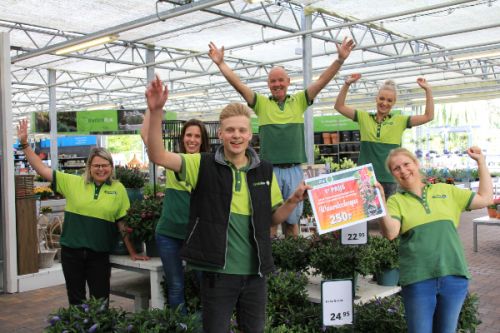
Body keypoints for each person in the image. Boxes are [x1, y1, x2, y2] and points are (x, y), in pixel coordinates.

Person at [145, 75, 310, 333]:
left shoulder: (264, 171)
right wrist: (156, 112)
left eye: (242, 130)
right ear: (220, 133)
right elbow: (157, 155)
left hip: (256, 274)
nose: (236, 135)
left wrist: (292, 200)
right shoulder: (202, 164)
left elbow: (273, 220)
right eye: (230, 130)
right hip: (217, 274)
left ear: (250, 134)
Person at [208, 37, 355, 238]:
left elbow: (321, 81)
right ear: (268, 84)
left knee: (292, 221)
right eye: (273, 81)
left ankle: (291, 264)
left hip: (294, 170)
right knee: (269, 221)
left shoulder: (299, 101)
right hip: (270, 170)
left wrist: (339, 60)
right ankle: (270, 264)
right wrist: (221, 64)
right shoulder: (261, 103)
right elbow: (239, 85)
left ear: (288, 82)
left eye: (280, 80)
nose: (277, 84)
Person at [16, 119, 147, 305]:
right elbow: (42, 169)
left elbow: (122, 223)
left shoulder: (118, 189)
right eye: (96, 165)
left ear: (111, 167)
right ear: (89, 167)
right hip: (72, 252)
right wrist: (25, 144)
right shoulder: (73, 182)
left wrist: (132, 252)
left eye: (105, 165)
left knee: (100, 301)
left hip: (99, 254)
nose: (101, 169)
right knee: (76, 301)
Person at [377, 147, 493, 333]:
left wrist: (481, 162)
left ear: (416, 163)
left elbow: (486, 199)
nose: (403, 170)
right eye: (396, 168)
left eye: (406, 164)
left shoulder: (446, 191)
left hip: (453, 276)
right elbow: (391, 232)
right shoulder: (395, 201)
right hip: (418, 280)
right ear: (393, 174)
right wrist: (380, 202)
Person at [140, 110, 210, 314]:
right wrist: (152, 110)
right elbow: (146, 137)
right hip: (169, 235)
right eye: (189, 135)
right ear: (182, 138)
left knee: (205, 286)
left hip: (198, 237)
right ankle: (182, 326)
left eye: (197, 136)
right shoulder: (173, 160)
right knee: (176, 286)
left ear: (203, 140)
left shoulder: (209, 164)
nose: (192, 139)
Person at [335, 75, 434, 198]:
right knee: (367, 215)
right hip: (365, 177)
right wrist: (347, 84)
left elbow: (428, 116)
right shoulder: (363, 117)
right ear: (376, 98)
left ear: (394, 102)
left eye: (389, 100)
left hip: (390, 178)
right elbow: (339, 106)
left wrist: (428, 90)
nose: (384, 103)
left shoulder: (400, 120)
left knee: (390, 215)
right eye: (381, 98)